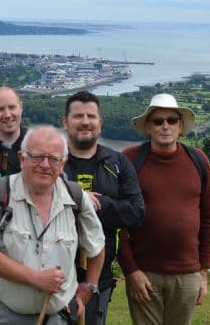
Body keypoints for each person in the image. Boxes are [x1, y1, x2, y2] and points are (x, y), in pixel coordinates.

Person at [0, 126, 106, 325]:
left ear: (63, 164)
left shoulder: (76, 199)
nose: (45, 165)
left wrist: (88, 288)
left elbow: (97, 248)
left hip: (58, 318)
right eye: (37, 157)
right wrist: (36, 278)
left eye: (54, 159)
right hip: (4, 316)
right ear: (22, 158)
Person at [117, 94, 210, 325]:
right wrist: (131, 271)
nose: (165, 126)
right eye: (158, 121)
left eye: (172, 120)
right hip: (144, 272)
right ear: (148, 128)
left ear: (181, 127)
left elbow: (209, 218)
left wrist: (203, 273)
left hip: (188, 274)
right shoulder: (130, 160)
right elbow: (117, 223)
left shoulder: (198, 160)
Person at [61, 91, 145, 325]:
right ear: (65, 122)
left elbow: (136, 213)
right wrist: (77, 197)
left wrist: (99, 205)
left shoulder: (117, 163)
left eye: (91, 116)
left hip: (99, 278)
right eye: (78, 116)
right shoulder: (51, 161)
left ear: (100, 123)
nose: (85, 121)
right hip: (54, 275)